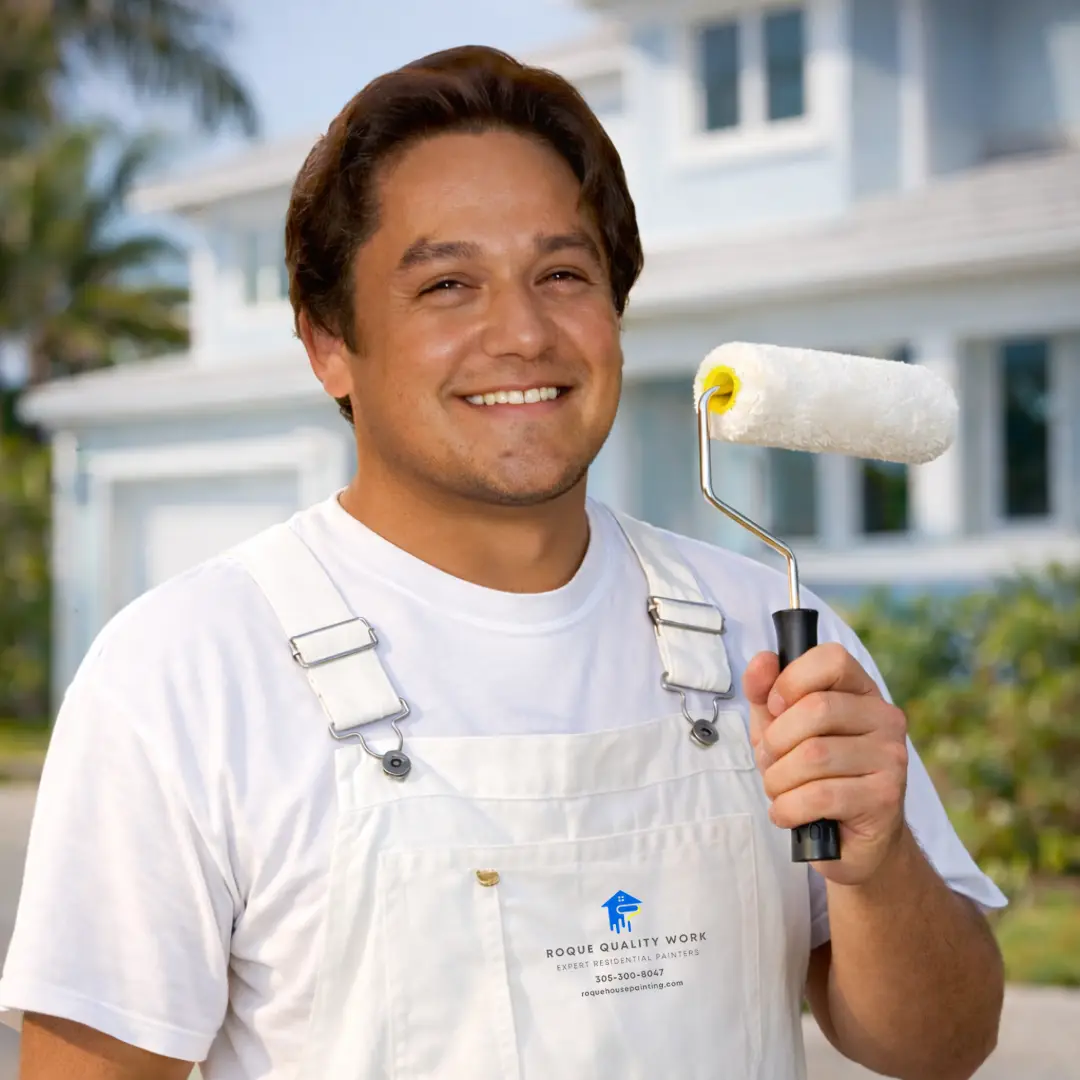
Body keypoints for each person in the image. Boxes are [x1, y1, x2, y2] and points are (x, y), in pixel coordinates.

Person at [1, 45, 1006, 1080]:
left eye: (563, 274)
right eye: (447, 285)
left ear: (616, 310)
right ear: (328, 344)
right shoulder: (184, 674)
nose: (522, 332)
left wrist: (878, 866)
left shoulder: (776, 637)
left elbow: (943, 1047)